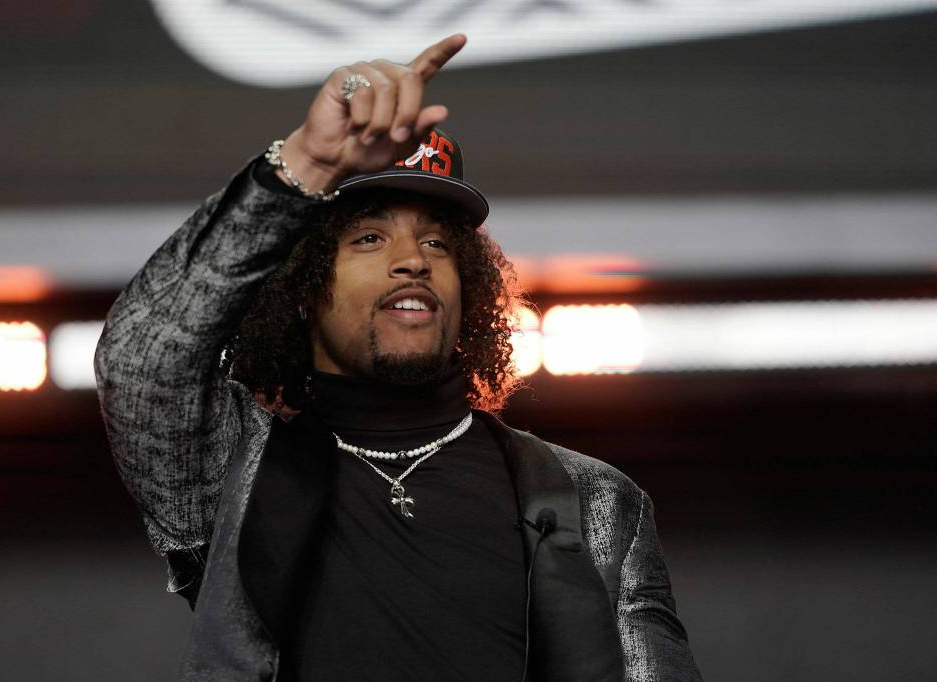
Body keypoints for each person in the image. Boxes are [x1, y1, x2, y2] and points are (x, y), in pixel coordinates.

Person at [94, 33, 701, 682]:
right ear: (303, 290)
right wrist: (309, 163)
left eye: (438, 243)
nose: (413, 260)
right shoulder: (234, 468)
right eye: (370, 237)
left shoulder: (598, 501)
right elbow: (141, 359)